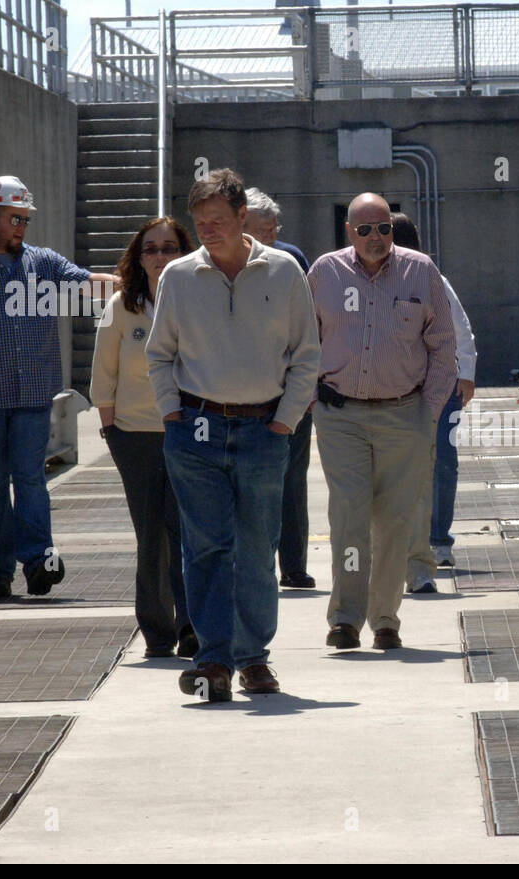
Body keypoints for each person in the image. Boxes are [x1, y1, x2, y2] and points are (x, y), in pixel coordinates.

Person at [147, 168, 320, 702]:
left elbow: (307, 357)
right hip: (194, 432)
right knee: (205, 549)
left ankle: (254, 659)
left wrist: (283, 423)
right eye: (200, 224)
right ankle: (214, 660)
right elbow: (159, 355)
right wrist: (173, 417)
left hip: (263, 431)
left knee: (256, 549)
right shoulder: (178, 276)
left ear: (244, 217)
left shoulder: (285, 272)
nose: (208, 232)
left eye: (218, 222)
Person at [0, 175, 116, 600]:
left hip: (33, 396)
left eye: (25, 220)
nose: (21, 227)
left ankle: (37, 562)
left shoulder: (43, 263)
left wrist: (135, 281)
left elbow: (86, 283)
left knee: (30, 480)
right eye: (15, 219)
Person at [308, 193, 456, 650]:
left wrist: (427, 414)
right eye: (366, 229)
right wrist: (314, 394)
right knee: (349, 515)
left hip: (404, 412)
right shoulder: (325, 273)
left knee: (394, 521)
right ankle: (346, 618)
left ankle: (386, 619)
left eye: (384, 228)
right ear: (349, 232)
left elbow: (443, 345)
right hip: (341, 415)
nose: (377, 238)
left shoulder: (420, 270)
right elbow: (299, 339)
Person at [91, 217, 196, 659]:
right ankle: (157, 630)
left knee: (187, 531)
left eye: (168, 248)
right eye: (150, 249)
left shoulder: (197, 302)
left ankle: (193, 625)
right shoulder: (120, 307)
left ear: (183, 254)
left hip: (188, 431)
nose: (159, 257)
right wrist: (111, 431)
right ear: (139, 258)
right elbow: (104, 374)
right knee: (150, 534)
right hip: (135, 437)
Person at [389, 212, 477, 593]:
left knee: (443, 462)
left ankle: (438, 541)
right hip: (393, 391)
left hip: (441, 389)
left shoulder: (433, 280)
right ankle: (401, 544)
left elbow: (460, 329)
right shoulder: (367, 283)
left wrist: (467, 374)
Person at [244, 187, 316, 590]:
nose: (270, 237)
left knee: (292, 481)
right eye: (263, 230)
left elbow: (307, 329)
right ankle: (255, 564)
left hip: (288, 389)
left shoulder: (291, 261)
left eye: (274, 230)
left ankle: (293, 564)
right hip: (239, 394)